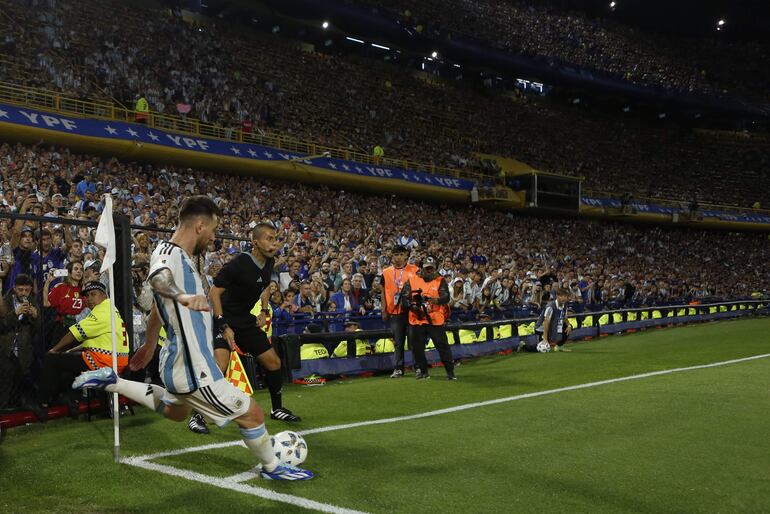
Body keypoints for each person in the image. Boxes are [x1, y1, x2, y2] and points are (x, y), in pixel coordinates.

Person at [72, 196, 312, 480]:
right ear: (199, 225)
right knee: (253, 413)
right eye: (213, 229)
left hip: (176, 362)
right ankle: (272, 468)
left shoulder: (182, 258)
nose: (213, 237)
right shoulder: (168, 253)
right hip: (193, 367)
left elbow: (157, 311)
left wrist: (149, 345)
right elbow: (160, 281)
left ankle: (115, 383)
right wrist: (183, 296)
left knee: (175, 411)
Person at [208, 221, 301, 424]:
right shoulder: (238, 264)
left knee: (273, 362)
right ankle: (199, 415)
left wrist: (264, 310)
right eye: (269, 238)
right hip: (224, 317)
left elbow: (265, 285)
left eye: (275, 239)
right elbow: (213, 293)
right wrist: (223, 325)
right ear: (255, 241)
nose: (274, 243)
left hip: (245, 320)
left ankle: (277, 409)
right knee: (220, 365)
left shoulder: (269, 262)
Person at [399, 256, 456, 380]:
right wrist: (415, 307)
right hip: (417, 318)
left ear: (436, 268)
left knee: (442, 346)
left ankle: (450, 372)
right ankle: (423, 372)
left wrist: (433, 301)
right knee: (417, 348)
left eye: (431, 268)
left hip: (435, 319)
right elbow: (404, 299)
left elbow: (445, 297)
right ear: (421, 268)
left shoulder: (440, 280)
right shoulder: (412, 280)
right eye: (427, 268)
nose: (429, 271)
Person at [0, 274, 41, 409]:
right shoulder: (4, 301)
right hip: (5, 348)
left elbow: (38, 329)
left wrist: (35, 316)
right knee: (6, 381)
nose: (23, 293)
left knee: (22, 380)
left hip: (24, 349)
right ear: (14, 288)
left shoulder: (33, 301)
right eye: (20, 290)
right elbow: (2, 326)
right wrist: (15, 313)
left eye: (26, 290)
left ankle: (19, 410)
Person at [381, 245, 418, 378]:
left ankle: (418, 367)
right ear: (392, 256)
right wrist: (383, 310)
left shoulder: (414, 269)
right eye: (396, 254)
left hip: (412, 311)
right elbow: (383, 291)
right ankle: (398, 368)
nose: (398, 257)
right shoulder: (386, 272)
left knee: (414, 341)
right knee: (398, 342)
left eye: (401, 254)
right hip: (394, 312)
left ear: (406, 255)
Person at [526, 287, 573, 352]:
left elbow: (564, 317)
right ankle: (523, 345)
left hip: (552, 327)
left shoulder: (564, 305)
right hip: (541, 328)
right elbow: (546, 322)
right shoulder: (550, 306)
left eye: (565, 296)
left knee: (568, 326)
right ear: (557, 296)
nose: (563, 298)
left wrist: (568, 325)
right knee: (541, 349)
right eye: (561, 296)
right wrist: (545, 338)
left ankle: (559, 346)